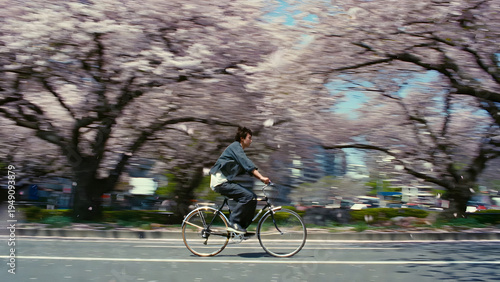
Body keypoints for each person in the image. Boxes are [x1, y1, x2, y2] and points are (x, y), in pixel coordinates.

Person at [209, 126, 270, 234]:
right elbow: (247, 163)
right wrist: (261, 177)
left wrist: (260, 178)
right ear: (242, 138)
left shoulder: (238, 150)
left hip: (225, 181)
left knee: (252, 198)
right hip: (220, 182)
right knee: (248, 196)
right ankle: (234, 223)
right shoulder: (236, 147)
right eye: (249, 138)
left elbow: (247, 169)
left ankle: (241, 228)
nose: (251, 141)